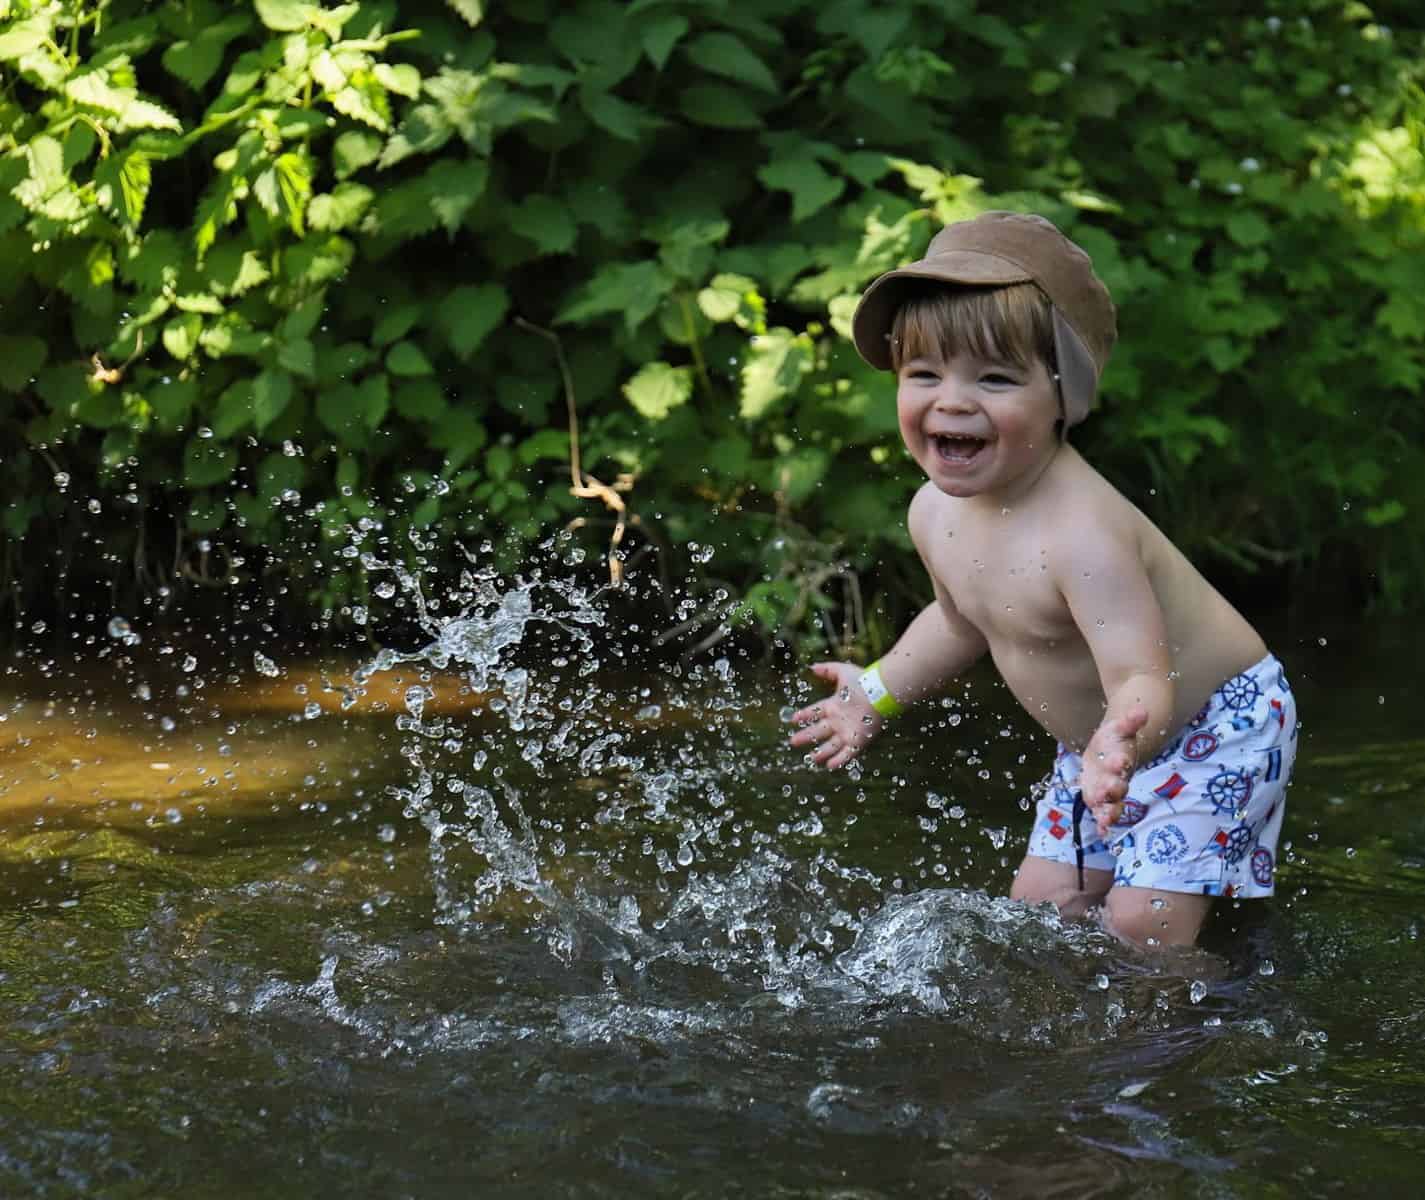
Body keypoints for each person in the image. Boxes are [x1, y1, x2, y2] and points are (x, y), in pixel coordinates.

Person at [788, 211, 1296, 948]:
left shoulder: (1082, 534)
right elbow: (958, 620)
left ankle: (1187, 1036)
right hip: (1099, 742)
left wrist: (1117, 748)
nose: (952, 401)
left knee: (1139, 926)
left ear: (1064, 396)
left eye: (994, 379)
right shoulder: (934, 510)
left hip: (1209, 726)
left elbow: (1141, 678)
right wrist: (876, 692)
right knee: (1040, 907)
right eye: (923, 374)